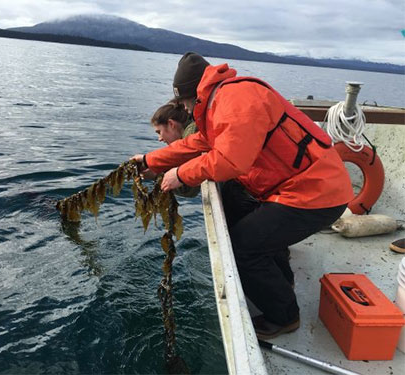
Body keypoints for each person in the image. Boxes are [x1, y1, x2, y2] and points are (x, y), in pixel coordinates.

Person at [132, 52, 354, 339]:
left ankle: (284, 316)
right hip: (297, 187)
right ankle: (282, 286)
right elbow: (197, 142)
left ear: (194, 92)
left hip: (316, 192)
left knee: (244, 246)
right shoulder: (221, 99)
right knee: (260, 234)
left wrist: (180, 175)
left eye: (184, 101)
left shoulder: (234, 99)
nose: (184, 108)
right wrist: (150, 161)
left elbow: (229, 161)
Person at [147, 99, 199, 198]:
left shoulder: (192, 135)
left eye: (159, 132)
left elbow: (188, 189)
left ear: (171, 124)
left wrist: (156, 175)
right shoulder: (193, 129)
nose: (160, 139)